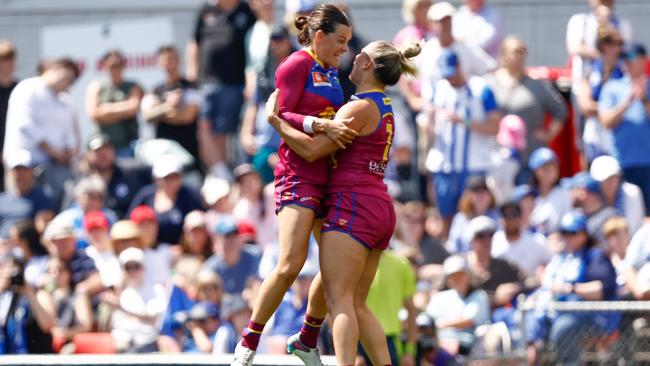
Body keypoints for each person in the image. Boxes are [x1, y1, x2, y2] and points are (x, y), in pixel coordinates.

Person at [265, 39, 421, 366]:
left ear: (367, 65)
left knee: (340, 300)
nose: (352, 54)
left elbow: (311, 150)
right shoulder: (383, 104)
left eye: (360, 53)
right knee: (359, 304)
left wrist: (277, 122)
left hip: (354, 205)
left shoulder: (357, 108)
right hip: (379, 206)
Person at [231, 4, 354, 365]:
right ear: (319, 37)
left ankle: (306, 338)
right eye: (339, 41)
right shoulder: (295, 64)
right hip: (298, 173)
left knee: (332, 271)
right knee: (290, 263)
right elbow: (281, 113)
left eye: (347, 42)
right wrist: (320, 126)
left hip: (328, 175)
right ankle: (249, 342)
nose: (344, 49)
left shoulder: (331, 72)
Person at [425, 48, 501, 235]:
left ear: (460, 67)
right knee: (445, 218)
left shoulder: (481, 89)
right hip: (444, 166)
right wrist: (429, 123)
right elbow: (430, 127)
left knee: (473, 215)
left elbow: (495, 127)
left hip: (473, 166)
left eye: (452, 73)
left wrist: (464, 121)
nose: (450, 79)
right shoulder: (439, 89)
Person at [526, 212, 618, 365]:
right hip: (563, 311)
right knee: (532, 320)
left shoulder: (595, 256)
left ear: (583, 235)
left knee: (563, 327)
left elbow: (602, 289)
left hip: (597, 316)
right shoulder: (564, 257)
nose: (567, 237)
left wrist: (569, 289)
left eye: (572, 233)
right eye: (564, 233)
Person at [187, 0, 256, 180]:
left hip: (232, 82)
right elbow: (194, 42)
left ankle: (223, 175)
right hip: (206, 81)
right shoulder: (206, 9)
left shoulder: (246, 10)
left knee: (222, 132)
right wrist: (192, 70)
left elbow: (255, 45)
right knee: (203, 128)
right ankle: (219, 171)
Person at [3, 58, 80, 205]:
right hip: (25, 167)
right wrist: (53, 151)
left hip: (53, 169)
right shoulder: (27, 88)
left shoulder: (64, 99)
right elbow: (25, 125)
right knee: (21, 210)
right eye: (66, 78)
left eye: (71, 81)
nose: (67, 84)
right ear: (55, 70)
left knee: (53, 208)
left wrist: (69, 149)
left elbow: (68, 130)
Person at [485, 36, 567, 162]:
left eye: (523, 52)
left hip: (529, 155)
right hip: (496, 157)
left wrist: (549, 134)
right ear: (503, 55)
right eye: (516, 52)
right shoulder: (488, 83)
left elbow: (561, 110)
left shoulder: (537, 84)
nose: (520, 56)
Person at [598, 43, 650, 216]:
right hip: (621, 163)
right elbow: (606, 121)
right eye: (625, 59)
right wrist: (627, 102)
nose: (627, 63)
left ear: (644, 60)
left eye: (632, 59)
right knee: (624, 214)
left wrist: (644, 100)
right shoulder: (612, 87)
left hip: (648, 164)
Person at [418, 1, 497, 109]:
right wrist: (413, 100)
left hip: (462, 111)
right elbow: (406, 74)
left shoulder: (466, 47)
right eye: (440, 21)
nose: (444, 25)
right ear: (431, 24)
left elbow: (490, 68)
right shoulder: (426, 50)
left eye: (447, 20)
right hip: (431, 113)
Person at [239, 26, 292, 185]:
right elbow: (254, 105)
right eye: (272, 40)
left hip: (288, 144)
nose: (275, 44)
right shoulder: (263, 71)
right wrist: (246, 133)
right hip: (263, 145)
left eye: (279, 40)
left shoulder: (297, 69)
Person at [142, 46, 201, 171]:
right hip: (164, 150)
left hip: (188, 148)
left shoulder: (190, 86)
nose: (170, 63)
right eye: (166, 59)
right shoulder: (155, 89)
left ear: (179, 60)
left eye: (173, 59)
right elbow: (147, 116)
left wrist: (160, 113)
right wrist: (169, 105)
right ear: (160, 62)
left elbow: (187, 116)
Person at [566, 0, 632, 110]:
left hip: (615, 84)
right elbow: (574, 48)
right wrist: (601, 56)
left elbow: (625, 52)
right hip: (585, 85)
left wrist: (607, 23)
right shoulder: (579, 21)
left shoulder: (622, 24)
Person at [103, 247, 166, 353]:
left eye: (136, 266)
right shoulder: (118, 291)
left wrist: (121, 308)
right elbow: (105, 327)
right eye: (128, 268)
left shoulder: (156, 289)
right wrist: (109, 307)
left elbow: (155, 320)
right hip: (121, 345)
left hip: (148, 344)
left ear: (143, 267)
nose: (132, 271)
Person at [361, 250, 418, 366]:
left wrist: (410, 350)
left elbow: (411, 310)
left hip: (390, 341)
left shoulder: (401, 264)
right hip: (358, 341)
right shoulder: (354, 261)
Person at [128, 157, 203, 245]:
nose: (171, 182)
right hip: (150, 248)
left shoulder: (190, 195)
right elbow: (130, 219)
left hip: (181, 250)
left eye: (175, 177)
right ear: (156, 179)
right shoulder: (146, 194)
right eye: (166, 178)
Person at [426, 255, 490, 356]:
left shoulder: (479, 295)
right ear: (447, 279)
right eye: (453, 276)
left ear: (468, 276)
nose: (457, 279)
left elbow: (469, 321)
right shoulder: (440, 297)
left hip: (469, 346)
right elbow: (426, 318)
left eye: (460, 274)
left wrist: (441, 325)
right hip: (438, 344)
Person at [579, 26, 625, 162]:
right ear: (601, 46)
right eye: (610, 43)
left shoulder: (624, 72)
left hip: (617, 135)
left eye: (619, 44)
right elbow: (586, 107)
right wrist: (610, 110)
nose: (616, 48)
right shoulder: (590, 72)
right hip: (595, 136)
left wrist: (606, 111)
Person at [85, 50, 143, 158]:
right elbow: (93, 114)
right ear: (104, 66)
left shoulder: (132, 86)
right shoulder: (96, 87)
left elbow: (133, 108)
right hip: (104, 147)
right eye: (112, 65)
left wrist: (105, 110)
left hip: (129, 145)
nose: (115, 69)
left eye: (119, 65)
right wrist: (123, 110)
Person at [79, 133, 151, 219]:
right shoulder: (83, 183)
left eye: (107, 149)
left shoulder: (132, 171)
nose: (103, 154)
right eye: (97, 151)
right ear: (88, 155)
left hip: (131, 226)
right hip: (96, 228)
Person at [0, 250, 56, 354]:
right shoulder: (4, 297)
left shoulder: (39, 294)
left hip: (35, 357)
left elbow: (47, 326)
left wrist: (29, 292)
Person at [0, 149, 57, 237]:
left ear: (31, 171)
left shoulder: (42, 197)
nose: (20, 174)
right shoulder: (2, 199)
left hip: (26, 247)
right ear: (10, 173)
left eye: (24, 169)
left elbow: (43, 225)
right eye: (16, 170)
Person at [203, 216, 261, 297]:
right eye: (227, 237)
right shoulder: (211, 267)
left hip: (250, 305)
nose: (231, 240)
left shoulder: (256, 255)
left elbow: (256, 284)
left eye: (234, 235)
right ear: (217, 242)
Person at [56, 175, 118, 250]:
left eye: (99, 197)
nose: (95, 202)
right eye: (90, 197)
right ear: (78, 198)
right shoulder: (67, 218)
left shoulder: (109, 217)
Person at [590, 155, 644, 235]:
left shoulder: (632, 193)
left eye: (614, 177)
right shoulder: (591, 196)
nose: (611, 182)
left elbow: (632, 229)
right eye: (606, 179)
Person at [447, 176, 498, 254]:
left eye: (484, 191)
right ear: (468, 195)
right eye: (476, 191)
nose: (481, 196)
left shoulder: (498, 216)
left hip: (493, 260)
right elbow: (452, 247)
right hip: (466, 260)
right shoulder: (460, 219)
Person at [527, 147, 573, 235]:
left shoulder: (563, 193)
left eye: (553, 166)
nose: (550, 171)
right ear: (535, 171)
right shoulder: (528, 195)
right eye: (545, 167)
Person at [0, 40, 18, 193]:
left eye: (11, 59)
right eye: (5, 60)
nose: (9, 64)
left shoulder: (19, 88)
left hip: (14, 154)